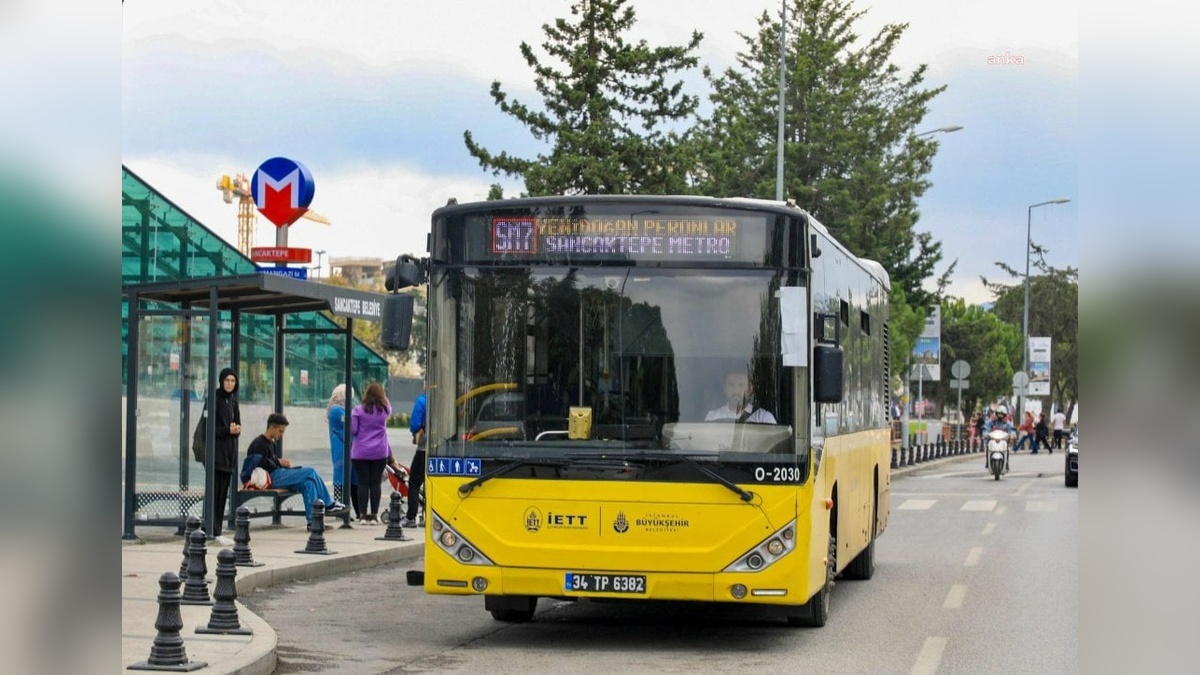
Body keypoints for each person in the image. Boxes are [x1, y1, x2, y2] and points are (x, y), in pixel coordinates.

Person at [246, 413, 348, 529]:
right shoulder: (259, 443)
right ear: (272, 427)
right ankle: (329, 504)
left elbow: (269, 462)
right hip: (269, 478)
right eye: (280, 431)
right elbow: (262, 464)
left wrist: (280, 463)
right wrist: (280, 462)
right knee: (310, 472)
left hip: (275, 474)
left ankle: (313, 521)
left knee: (308, 484)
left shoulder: (271, 443)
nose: (281, 435)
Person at [351, 382, 392, 525]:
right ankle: (374, 515)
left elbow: (354, 430)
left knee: (363, 483)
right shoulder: (385, 410)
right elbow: (387, 405)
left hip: (360, 452)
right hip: (380, 452)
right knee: (375, 484)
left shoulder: (357, 410)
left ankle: (362, 515)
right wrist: (383, 397)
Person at [209, 367, 242, 543]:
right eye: (227, 380)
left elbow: (238, 425)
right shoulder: (214, 399)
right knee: (215, 493)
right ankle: (212, 529)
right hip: (216, 454)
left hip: (229, 455)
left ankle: (217, 529)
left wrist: (235, 430)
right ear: (221, 381)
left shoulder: (233, 402)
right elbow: (210, 428)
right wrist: (227, 430)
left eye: (232, 381)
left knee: (223, 494)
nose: (229, 384)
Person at [327, 384, 361, 520]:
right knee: (340, 478)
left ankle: (358, 511)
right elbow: (352, 423)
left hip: (351, 448)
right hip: (341, 448)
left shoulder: (344, 410)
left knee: (354, 479)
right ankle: (341, 510)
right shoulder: (336, 410)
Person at [705, 371, 776, 424]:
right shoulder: (713, 417)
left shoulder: (764, 418)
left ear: (750, 389)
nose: (736, 391)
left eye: (741, 385)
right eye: (731, 385)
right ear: (724, 389)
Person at [404, 382, 428, 528]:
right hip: (442, 448)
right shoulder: (445, 399)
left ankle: (411, 517)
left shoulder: (422, 401)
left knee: (414, 482)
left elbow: (415, 424)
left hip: (424, 447)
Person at [983, 405, 1016, 471]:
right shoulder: (991, 422)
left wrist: (1012, 435)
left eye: (1002, 414)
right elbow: (986, 428)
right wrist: (985, 434)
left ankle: (1006, 463)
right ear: (996, 413)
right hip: (992, 440)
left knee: (1007, 449)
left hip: (1003, 440)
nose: (1000, 415)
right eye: (999, 414)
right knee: (988, 448)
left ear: (1005, 415)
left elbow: (1012, 429)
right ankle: (987, 462)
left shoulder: (1007, 423)